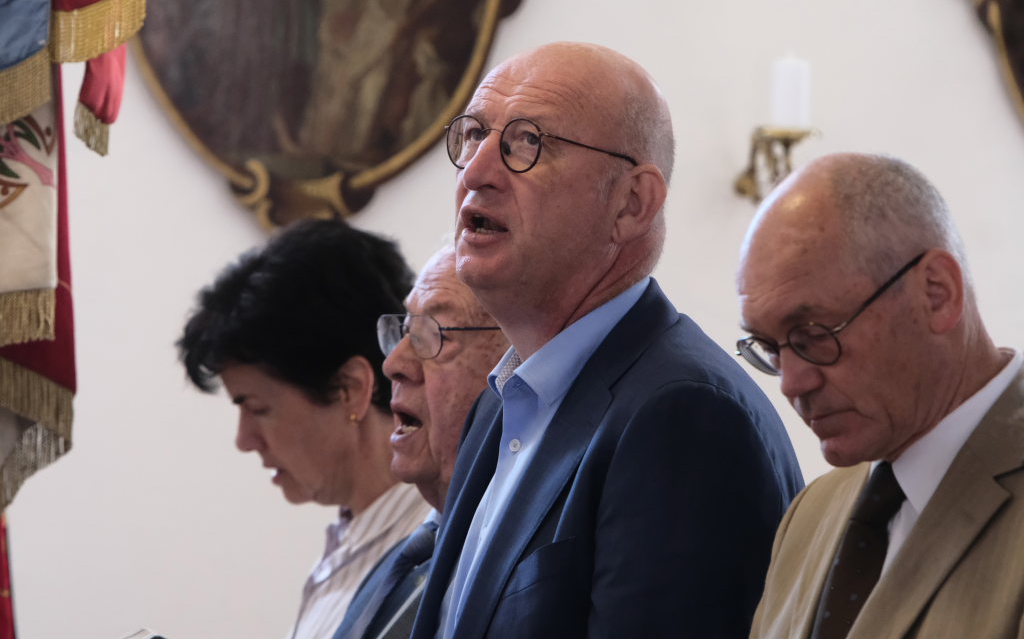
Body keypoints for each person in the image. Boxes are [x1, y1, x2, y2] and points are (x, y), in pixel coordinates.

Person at [409, 41, 804, 639]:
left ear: (632, 203)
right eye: (474, 134)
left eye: (527, 142)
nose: (476, 173)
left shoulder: (683, 416)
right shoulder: (498, 404)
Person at [737, 153, 1024, 639]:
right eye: (769, 347)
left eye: (814, 335)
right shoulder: (809, 515)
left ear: (936, 292)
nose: (792, 383)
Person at [177, 219, 431, 639]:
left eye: (258, 408)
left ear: (351, 389)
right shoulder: (349, 544)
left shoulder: (430, 556)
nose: (244, 441)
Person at [332, 246, 508, 639]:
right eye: (405, 332)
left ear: (517, 363)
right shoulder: (399, 565)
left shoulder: (528, 563)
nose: (393, 364)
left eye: (431, 335)